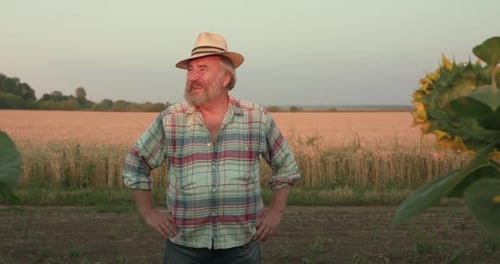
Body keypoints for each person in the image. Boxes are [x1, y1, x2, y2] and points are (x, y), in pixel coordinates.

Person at [123, 32, 301, 264]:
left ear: (226, 78)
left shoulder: (255, 117)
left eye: (203, 69)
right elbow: (136, 163)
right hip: (184, 247)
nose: (192, 77)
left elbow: (286, 166)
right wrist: (149, 212)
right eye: (190, 70)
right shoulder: (172, 119)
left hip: (241, 246)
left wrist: (276, 212)